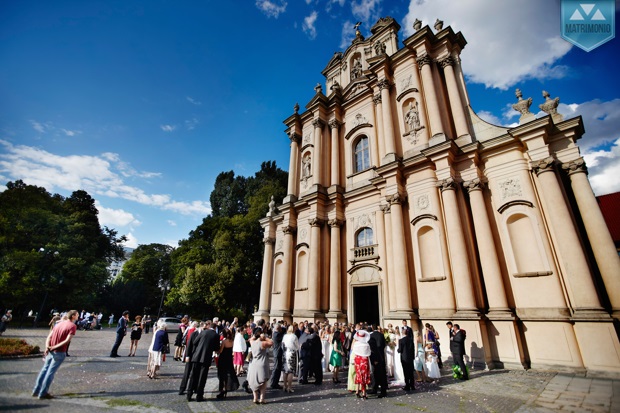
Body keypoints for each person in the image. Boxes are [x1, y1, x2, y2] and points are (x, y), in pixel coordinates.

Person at [32, 310, 78, 399]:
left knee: (44, 370)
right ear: (73, 316)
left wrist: (47, 347)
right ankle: (43, 393)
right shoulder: (72, 326)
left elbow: (49, 336)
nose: (78, 316)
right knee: (50, 372)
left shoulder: (59, 324)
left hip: (51, 350)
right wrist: (55, 346)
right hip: (59, 351)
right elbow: (67, 340)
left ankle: (36, 390)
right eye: (77, 315)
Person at [186, 320, 220, 402]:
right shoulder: (216, 335)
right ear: (215, 328)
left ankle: (189, 394)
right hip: (206, 358)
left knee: (193, 376)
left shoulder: (203, 332)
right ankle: (199, 395)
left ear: (209, 326)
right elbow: (216, 348)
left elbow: (195, 342)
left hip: (196, 357)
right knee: (202, 377)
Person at [248, 328, 273, 404]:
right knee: (263, 381)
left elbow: (250, 339)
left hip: (254, 364)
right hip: (262, 363)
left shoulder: (252, 342)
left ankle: (255, 398)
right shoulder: (263, 343)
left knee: (254, 381)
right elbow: (272, 342)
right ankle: (262, 398)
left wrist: (255, 336)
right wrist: (265, 337)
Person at [179, 321, 202, 396]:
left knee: (195, 373)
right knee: (187, 372)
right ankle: (182, 388)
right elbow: (189, 345)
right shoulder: (193, 333)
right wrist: (187, 356)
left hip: (197, 356)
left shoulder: (201, 334)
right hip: (191, 355)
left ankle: (194, 388)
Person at [217, 328, 239, 399]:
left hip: (223, 359)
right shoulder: (232, 341)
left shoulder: (224, 341)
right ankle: (226, 388)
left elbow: (220, 351)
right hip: (229, 359)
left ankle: (222, 390)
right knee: (227, 374)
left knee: (222, 374)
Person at [369, 325, 388, 398]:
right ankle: (382, 389)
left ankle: (376, 389)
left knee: (376, 374)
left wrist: (375, 359)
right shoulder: (381, 335)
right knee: (381, 374)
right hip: (381, 356)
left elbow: (373, 349)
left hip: (375, 358)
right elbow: (383, 345)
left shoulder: (371, 337)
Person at [352, 329, 371, 399]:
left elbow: (354, 351)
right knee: (364, 376)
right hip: (364, 360)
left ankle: (357, 390)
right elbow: (369, 353)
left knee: (358, 375)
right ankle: (364, 393)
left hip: (357, 360)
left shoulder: (356, 344)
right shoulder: (366, 344)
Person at [282, 325, 299, 392]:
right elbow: (297, 346)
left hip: (285, 353)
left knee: (285, 370)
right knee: (290, 371)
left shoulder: (285, 336)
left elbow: (282, 344)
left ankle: (284, 386)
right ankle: (289, 387)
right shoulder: (294, 336)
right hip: (291, 353)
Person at [269, 323, 284, 389]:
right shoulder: (277, 334)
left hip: (277, 353)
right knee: (276, 368)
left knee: (277, 368)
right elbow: (283, 333)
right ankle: (273, 383)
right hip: (277, 353)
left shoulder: (275, 333)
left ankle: (275, 383)